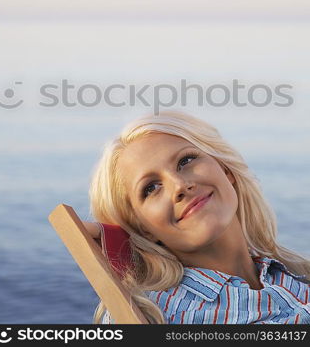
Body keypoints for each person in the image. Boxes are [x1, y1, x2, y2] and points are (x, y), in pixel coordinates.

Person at [86, 110, 310, 324]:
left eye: (185, 161)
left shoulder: (297, 273)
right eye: (151, 188)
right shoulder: (149, 314)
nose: (180, 186)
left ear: (225, 170)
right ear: (143, 228)